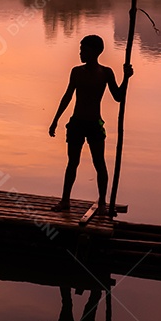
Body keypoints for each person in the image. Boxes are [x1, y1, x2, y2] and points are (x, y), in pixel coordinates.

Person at [48, 34, 132, 213]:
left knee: (99, 163)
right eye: (81, 50)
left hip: (94, 124)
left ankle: (102, 203)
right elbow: (67, 96)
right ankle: (65, 201)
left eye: (84, 50)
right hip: (77, 123)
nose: (81, 54)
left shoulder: (106, 73)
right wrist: (55, 120)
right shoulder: (76, 72)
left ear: (95, 52)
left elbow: (118, 97)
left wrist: (126, 78)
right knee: (72, 163)